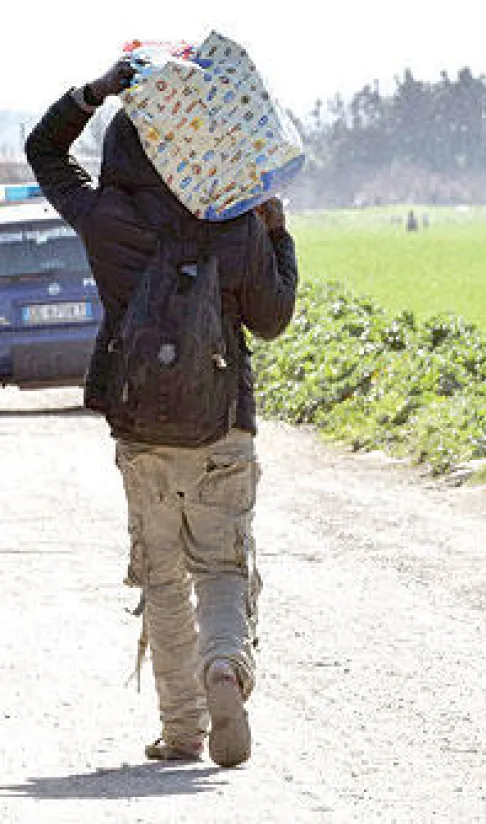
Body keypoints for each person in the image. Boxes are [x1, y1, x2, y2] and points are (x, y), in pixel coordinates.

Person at [26, 59, 299, 768]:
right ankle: (225, 668)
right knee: (220, 568)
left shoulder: (104, 216)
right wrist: (277, 233)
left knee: (162, 575)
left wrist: (98, 90)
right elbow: (272, 319)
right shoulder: (233, 224)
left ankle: (183, 730)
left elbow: (43, 152)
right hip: (223, 426)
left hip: (140, 429)